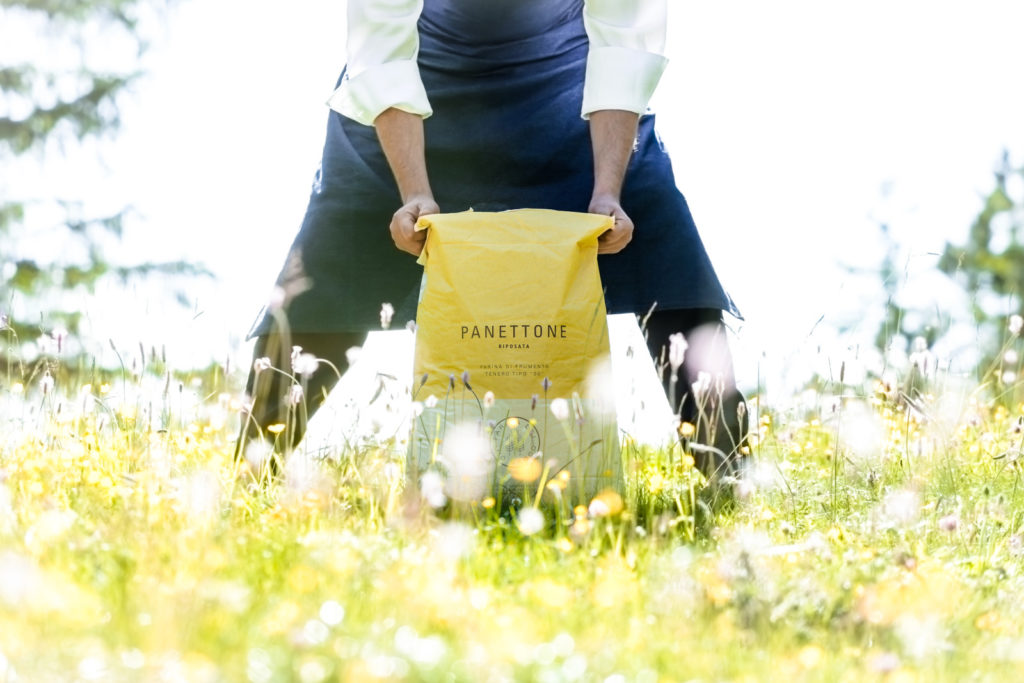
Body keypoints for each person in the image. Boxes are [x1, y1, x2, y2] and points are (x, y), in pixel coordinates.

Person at [239, 0, 748, 480]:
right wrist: (415, 190)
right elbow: (381, 43)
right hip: (412, 94)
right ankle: (250, 472)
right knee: (327, 276)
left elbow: (623, 34)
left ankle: (731, 479)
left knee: (664, 248)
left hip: (568, 95)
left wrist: (609, 189)